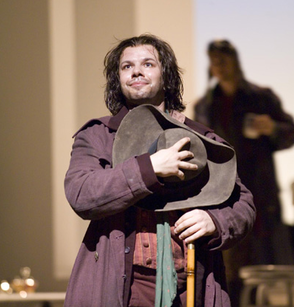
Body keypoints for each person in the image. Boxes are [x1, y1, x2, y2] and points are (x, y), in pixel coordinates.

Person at [64, 34, 255, 307]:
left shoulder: (202, 138)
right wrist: (149, 167)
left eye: (148, 64)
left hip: (191, 285)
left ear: (166, 76)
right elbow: (81, 193)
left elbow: (243, 204)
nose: (137, 71)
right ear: (118, 79)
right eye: (126, 66)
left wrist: (215, 221)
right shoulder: (99, 135)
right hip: (123, 287)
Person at [194, 39, 294, 307]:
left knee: (268, 270)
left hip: (262, 197)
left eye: (223, 59)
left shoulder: (260, 97)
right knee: (229, 273)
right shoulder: (206, 105)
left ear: (234, 60)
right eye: (213, 60)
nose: (218, 65)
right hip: (222, 196)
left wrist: (272, 128)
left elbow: (291, 133)